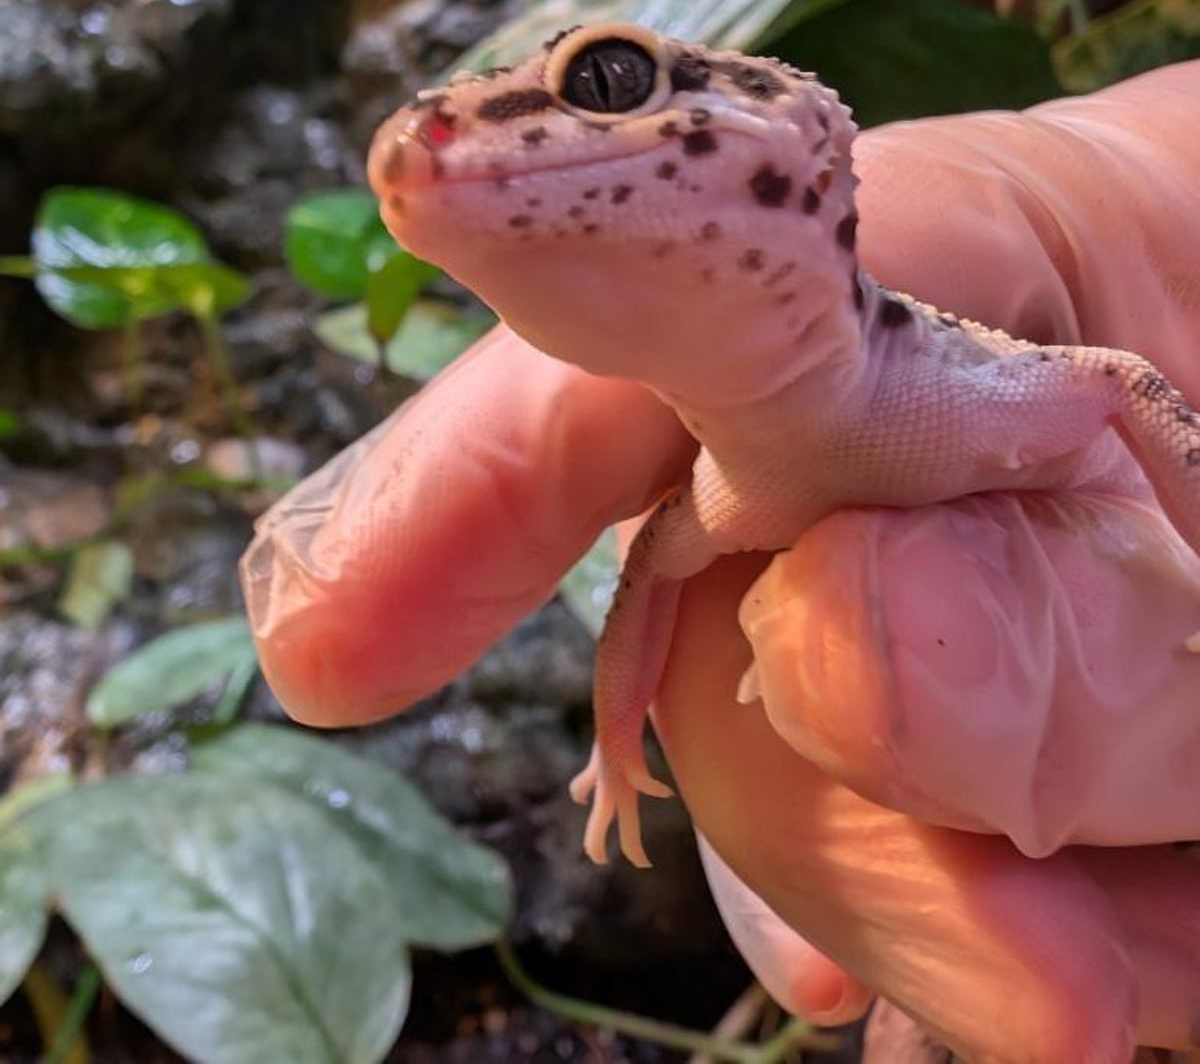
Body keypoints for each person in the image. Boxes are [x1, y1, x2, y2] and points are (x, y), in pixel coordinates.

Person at [242, 62, 1200, 1063]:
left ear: (805, 138)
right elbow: (649, 582)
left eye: (606, 81)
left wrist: (1128, 201)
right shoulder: (729, 494)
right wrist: (617, 748)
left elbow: (1128, 382)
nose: (437, 139)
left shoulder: (943, 383)